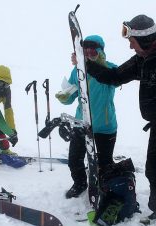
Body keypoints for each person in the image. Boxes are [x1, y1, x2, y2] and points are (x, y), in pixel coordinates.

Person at [85, 15, 156, 223]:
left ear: (144, 40)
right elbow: (115, 76)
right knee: (154, 169)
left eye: (132, 42)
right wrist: (88, 65)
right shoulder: (142, 60)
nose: (130, 47)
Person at [55, 35, 118, 199]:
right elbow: (72, 95)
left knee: (104, 163)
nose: (89, 52)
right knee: (74, 159)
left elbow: (115, 80)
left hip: (105, 126)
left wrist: (89, 64)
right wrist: (65, 97)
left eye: (93, 48)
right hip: (81, 124)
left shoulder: (110, 69)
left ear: (101, 51)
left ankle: (104, 187)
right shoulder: (77, 71)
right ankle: (80, 183)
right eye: (86, 49)